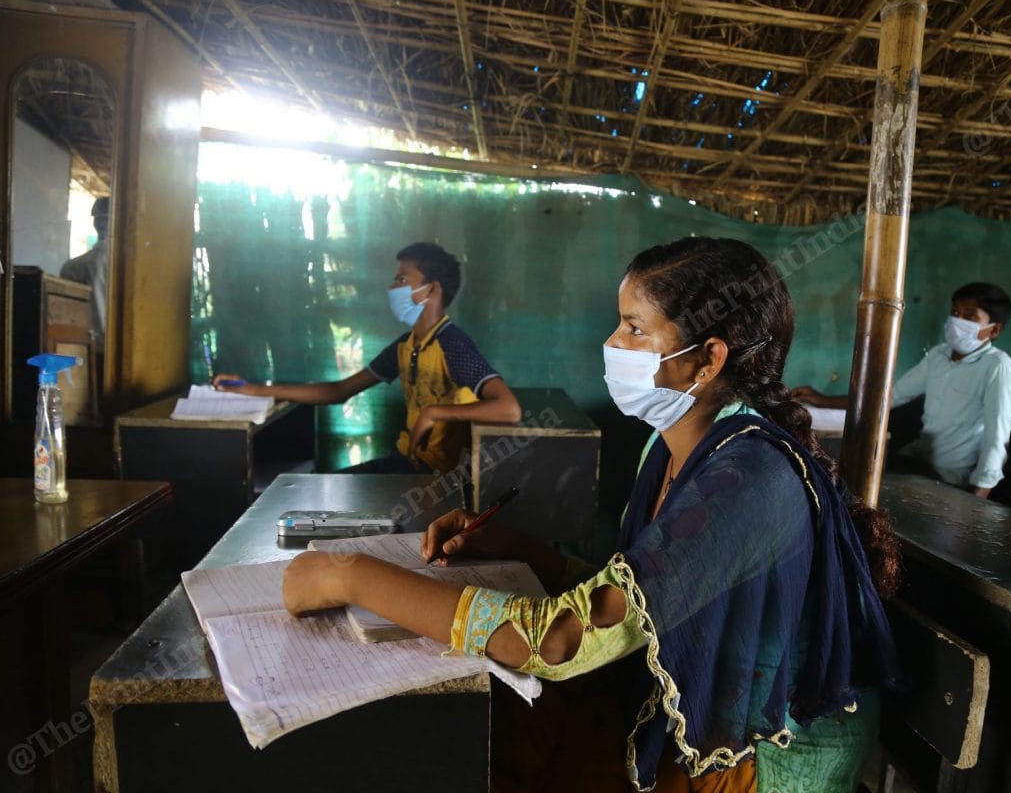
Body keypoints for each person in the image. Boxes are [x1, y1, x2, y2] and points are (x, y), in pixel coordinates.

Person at [281, 237, 901, 792]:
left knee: (493, 745)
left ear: (708, 358)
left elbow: (561, 639)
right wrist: (523, 549)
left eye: (634, 328)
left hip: (751, 759)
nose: (611, 344)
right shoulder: (669, 446)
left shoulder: (749, 478)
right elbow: (630, 601)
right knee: (490, 736)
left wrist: (350, 575)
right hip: (678, 702)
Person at [213, 242, 520, 474]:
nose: (391, 287)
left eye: (402, 280)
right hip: (406, 463)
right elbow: (338, 391)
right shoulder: (407, 344)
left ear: (432, 289)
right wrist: (253, 389)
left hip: (437, 477)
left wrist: (434, 413)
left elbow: (509, 409)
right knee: (320, 491)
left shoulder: (453, 344)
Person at [794, 282, 1011, 499]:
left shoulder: (999, 368)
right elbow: (890, 396)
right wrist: (822, 400)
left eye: (970, 316)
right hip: (918, 463)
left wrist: (977, 500)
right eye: (955, 312)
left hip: (953, 478)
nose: (957, 321)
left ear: (994, 330)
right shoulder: (939, 356)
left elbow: (996, 438)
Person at [60, 196, 110, 341]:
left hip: (91, 342)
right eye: (99, 219)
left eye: (104, 220)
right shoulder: (79, 265)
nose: (101, 224)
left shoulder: (76, 266)